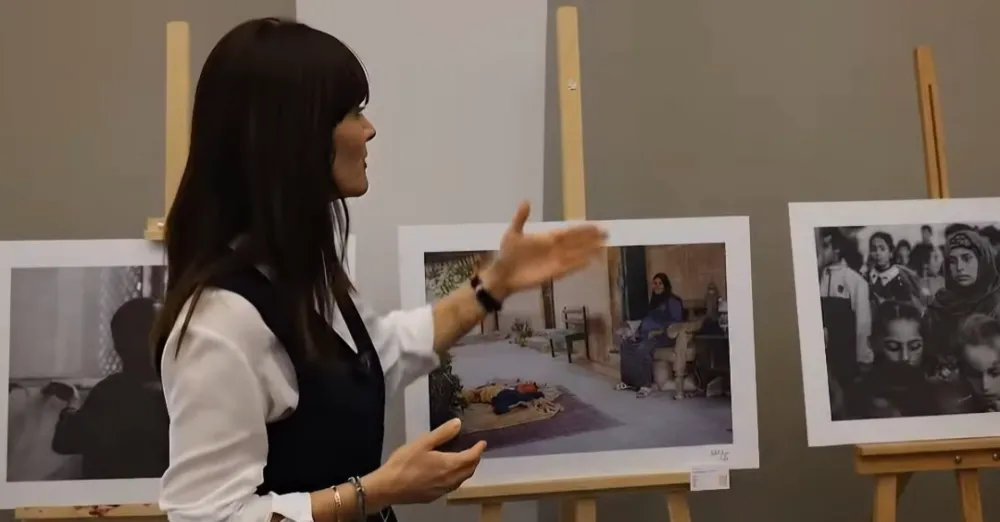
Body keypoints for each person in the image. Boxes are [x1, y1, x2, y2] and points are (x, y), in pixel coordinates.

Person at [150, 18, 606, 522]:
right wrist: (375, 491)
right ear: (293, 135)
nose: (369, 129)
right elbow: (208, 516)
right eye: (352, 112)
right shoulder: (220, 322)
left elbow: (378, 355)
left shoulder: (304, 273)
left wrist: (493, 285)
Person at [52, 297, 169, 479]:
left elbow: (64, 441)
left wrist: (72, 403)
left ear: (117, 346)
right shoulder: (176, 396)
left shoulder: (109, 394)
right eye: (162, 331)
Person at [924, 228, 1000, 362]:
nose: (959, 267)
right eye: (952, 261)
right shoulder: (939, 305)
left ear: (982, 260)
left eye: (967, 258)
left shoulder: (996, 304)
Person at [816, 228, 871, 389]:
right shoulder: (817, 277)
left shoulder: (854, 280)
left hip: (845, 362)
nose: (819, 251)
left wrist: (863, 359)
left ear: (837, 249)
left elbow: (863, 324)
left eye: (825, 246)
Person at [614, 273, 685, 398]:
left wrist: (657, 331)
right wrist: (634, 331)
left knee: (643, 347)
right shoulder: (654, 301)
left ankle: (645, 385)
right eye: (655, 283)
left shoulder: (672, 301)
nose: (657, 286)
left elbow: (676, 323)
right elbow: (647, 320)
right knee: (626, 344)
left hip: (666, 336)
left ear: (665, 285)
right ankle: (628, 382)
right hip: (648, 335)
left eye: (660, 283)